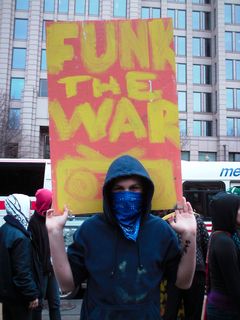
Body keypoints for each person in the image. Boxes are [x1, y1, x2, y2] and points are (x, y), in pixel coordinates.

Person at [46, 155, 197, 319]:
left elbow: (183, 282)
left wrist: (190, 235)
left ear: (145, 191)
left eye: (134, 188)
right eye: (118, 189)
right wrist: (54, 233)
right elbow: (67, 285)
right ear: (109, 193)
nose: (126, 194)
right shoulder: (90, 230)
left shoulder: (160, 230)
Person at [0, 194, 40, 320]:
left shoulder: (4, 229)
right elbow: (22, 271)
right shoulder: (20, 237)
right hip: (19, 297)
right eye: (27, 208)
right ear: (19, 208)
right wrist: (31, 295)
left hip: (6, 295)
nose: (30, 211)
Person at [163, 213, 209, 320]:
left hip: (174, 271)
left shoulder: (166, 222)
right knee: (194, 311)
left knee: (171, 310)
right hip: (197, 270)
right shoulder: (196, 219)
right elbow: (206, 244)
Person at [28, 188, 61, 320]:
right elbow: (34, 251)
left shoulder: (50, 218)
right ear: (44, 202)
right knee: (38, 305)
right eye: (49, 202)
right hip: (41, 271)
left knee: (55, 304)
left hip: (52, 269)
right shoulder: (34, 223)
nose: (51, 204)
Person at [206, 191, 240, 319]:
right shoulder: (224, 242)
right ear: (228, 212)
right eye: (238, 208)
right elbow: (234, 284)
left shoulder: (225, 235)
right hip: (225, 310)